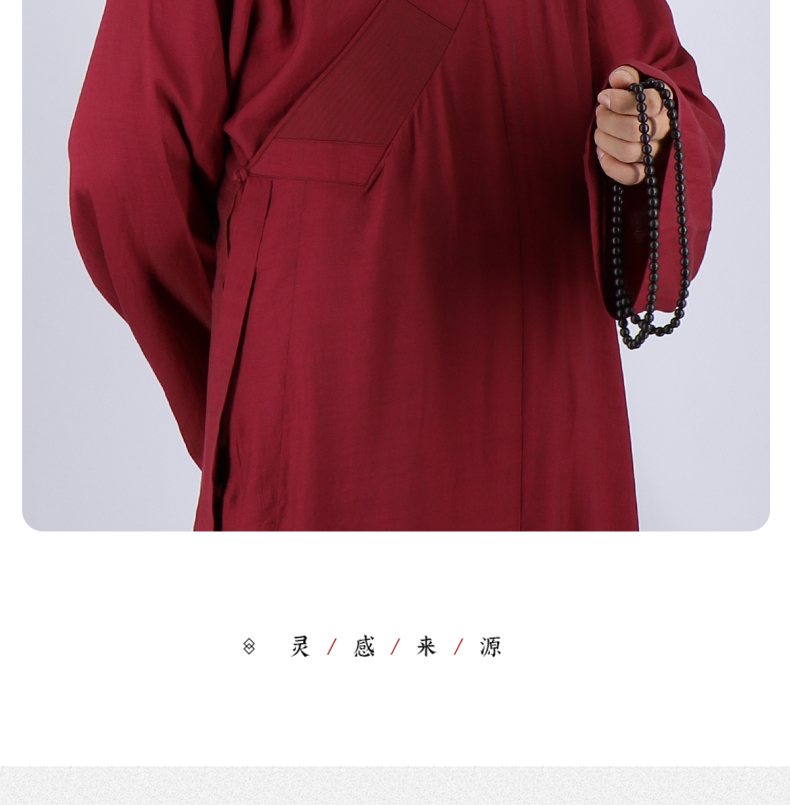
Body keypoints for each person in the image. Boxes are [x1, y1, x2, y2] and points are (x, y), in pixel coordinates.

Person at [68, 0, 724, 531]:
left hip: (341, 398)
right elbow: (123, 170)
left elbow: (124, 166)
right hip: (539, 415)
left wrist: (648, 127)